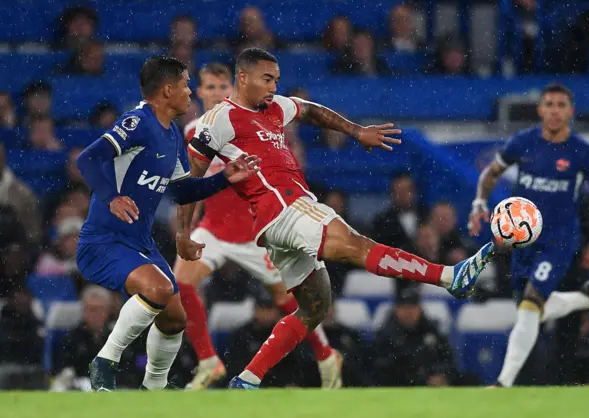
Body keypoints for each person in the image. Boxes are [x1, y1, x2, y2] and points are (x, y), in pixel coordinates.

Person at [181, 47, 495, 389]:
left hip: (274, 227)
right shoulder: (220, 119)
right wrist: (184, 233)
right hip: (286, 208)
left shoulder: (273, 108)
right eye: (267, 79)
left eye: (276, 80)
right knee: (357, 246)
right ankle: (451, 276)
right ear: (242, 78)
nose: (273, 87)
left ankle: (247, 378)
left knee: (315, 307)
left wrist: (356, 131)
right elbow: (190, 182)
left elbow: (312, 111)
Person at [74, 56, 260, 391]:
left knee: (175, 318)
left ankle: (155, 388)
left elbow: (182, 190)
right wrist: (112, 196)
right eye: (187, 84)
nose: (190, 92)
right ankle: (104, 361)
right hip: (104, 241)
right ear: (168, 90)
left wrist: (226, 179)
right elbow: (87, 158)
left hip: (139, 244)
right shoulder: (137, 122)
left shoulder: (172, 135)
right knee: (159, 290)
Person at [174, 62, 342, 390]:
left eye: (222, 87)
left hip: (256, 234)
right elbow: (195, 182)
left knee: (291, 299)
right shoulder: (192, 131)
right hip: (214, 230)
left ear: (231, 90)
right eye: (209, 87)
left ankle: (326, 355)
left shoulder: (247, 123)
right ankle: (209, 361)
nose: (216, 93)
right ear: (200, 92)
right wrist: (188, 223)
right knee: (181, 283)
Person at [468, 83, 589, 388]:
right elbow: (491, 173)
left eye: (561, 105)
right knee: (532, 310)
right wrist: (479, 203)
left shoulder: (581, 152)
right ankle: (584, 299)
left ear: (570, 111)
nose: (555, 110)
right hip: (524, 240)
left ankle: (503, 384)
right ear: (540, 109)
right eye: (550, 104)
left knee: (531, 303)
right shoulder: (523, 143)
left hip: (560, 240)